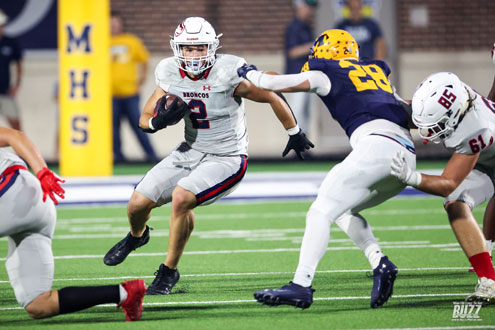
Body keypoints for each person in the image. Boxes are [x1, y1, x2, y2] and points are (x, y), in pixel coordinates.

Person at [103, 17, 313, 296]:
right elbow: (144, 117)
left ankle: (168, 271)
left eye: (200, 48)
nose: (193, 55)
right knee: (136, 204)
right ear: (177, 48)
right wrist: (157, 123)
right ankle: (136, 236)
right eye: (188, 49)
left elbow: (271, 94)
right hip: (190, 150)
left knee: (182, 198)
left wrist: (294, 131)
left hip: (227, 156)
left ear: (212, 47)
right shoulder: (168, 71)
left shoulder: (227, 72)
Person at [238, 29, 414, 308]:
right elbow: (407, 110)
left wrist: (247, 71)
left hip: (376, 148)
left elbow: (270, 82)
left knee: (320, 210)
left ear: (326, 51)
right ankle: (380, 263)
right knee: (342, 209)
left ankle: (301, 284)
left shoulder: (326, 72)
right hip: (407, 155)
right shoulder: (377, 73)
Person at [0, 126, 146, 321]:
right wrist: (41, 172)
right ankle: (125, 294)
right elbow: (15, 136)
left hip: (15, 191)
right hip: (37, 201)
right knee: (38, 304)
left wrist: (43, 171)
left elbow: (13, 136)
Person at [390, 71, 495, 304]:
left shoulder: (477, 128)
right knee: (456, 204)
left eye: (437, 125)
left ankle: (486, 250)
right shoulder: (454, 96)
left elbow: (448, 184)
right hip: (489, 162)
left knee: (452, 195)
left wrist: (410, 177)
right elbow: (416, 113)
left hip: (488, 162)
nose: (429, 132)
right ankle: (489, 279)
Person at [110, 11, 158, 163]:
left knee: (139, 125)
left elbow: (144, 60)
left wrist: (141, 79)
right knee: (113, 129)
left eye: (115, 23)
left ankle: (151, 155)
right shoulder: (99, 42)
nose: (112, 26)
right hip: (110, 95)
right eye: (110, 23)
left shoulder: (131, 41)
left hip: (130, 93)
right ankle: (118, 158)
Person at [284, 0, 318, 134]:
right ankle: (297, 143)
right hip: (295, 76)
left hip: (307, 76)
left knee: (306, 112)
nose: (311, 10)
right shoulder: (294, 27)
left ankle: (305, 146)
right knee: (296, 111)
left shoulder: (307, 27)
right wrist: (313, 45)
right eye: (309, 7)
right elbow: (293, 52)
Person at [0, 10, 22, 130]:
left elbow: (19, 64)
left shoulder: (10, 42)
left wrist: (17, 85)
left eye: (2, 25)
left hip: (5, 91)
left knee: (16, 126)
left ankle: (19, 149)